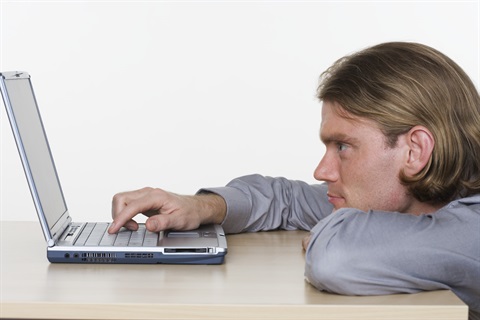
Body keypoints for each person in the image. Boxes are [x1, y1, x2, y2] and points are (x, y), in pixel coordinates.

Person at [108, 42, 480, 320]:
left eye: (343, 147)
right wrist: (202, 206)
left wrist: (332, 230)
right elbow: (284, 199)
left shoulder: (472, 230)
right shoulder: (410, 199)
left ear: (414, 151)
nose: (322, 171)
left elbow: (337, 257)